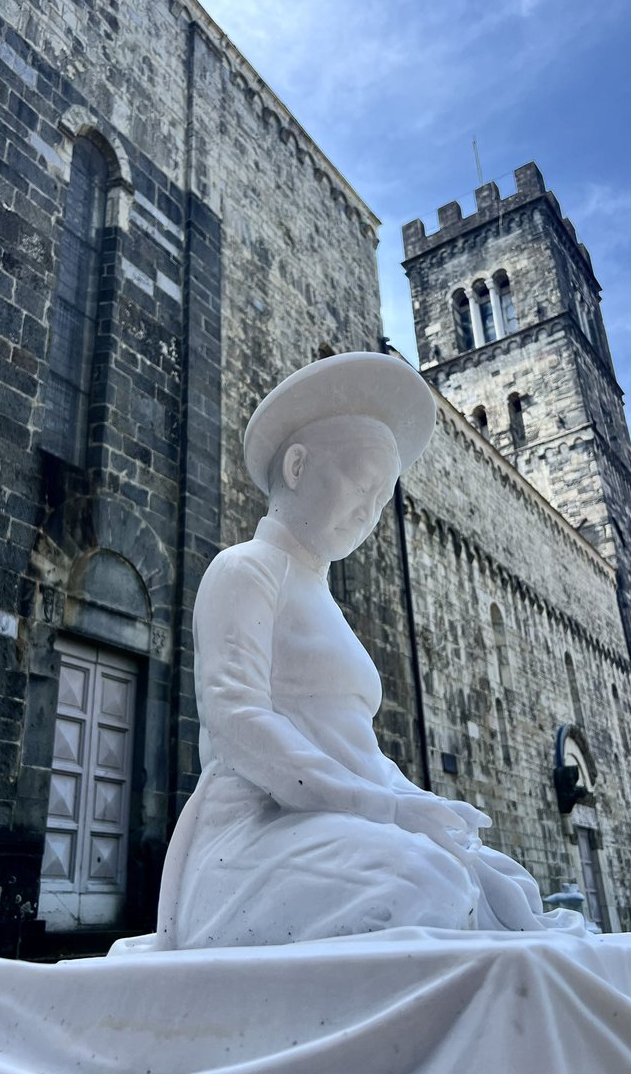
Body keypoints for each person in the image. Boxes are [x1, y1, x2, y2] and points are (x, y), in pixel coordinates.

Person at [153, 352, 583, 949]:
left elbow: (359, 750)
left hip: (337, 822)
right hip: (255, 833)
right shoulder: (246, 570)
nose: (370, 511)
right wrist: (383, 808)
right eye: (360, 485)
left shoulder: (323, 600)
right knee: (428, 882)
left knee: (498, 881)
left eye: (382, 500)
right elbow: (236, 721)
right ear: (298, 466)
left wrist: (419, 804)